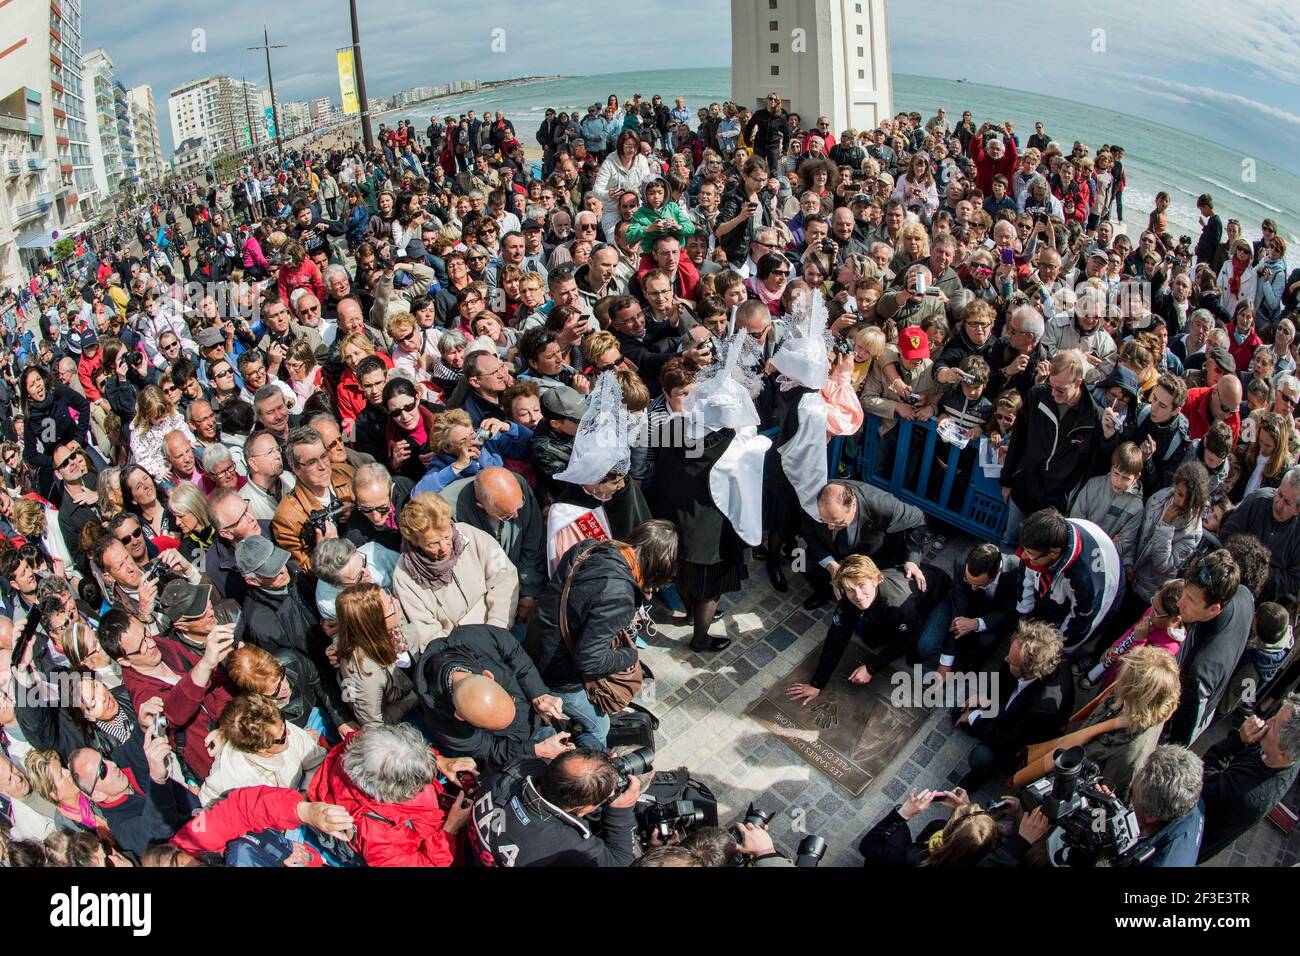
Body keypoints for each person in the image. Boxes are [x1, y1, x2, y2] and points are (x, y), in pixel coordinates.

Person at [528, 520, 677, 750]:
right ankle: (588, 772)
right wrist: (628, 656)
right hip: (559, 674)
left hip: (537, 642)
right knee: (598, 727)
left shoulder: (589, 548)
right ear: (656, 568)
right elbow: (588, 659)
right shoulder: (619, 596)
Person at [787, 555, 950, 705]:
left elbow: (907, 639)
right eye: (850, 589)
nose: (857, 595)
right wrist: (817, 683)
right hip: (896, 609)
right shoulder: (848, 599)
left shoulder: (898, 604)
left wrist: (871, 668)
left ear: (876, 579)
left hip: (938, 596)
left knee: (922, 648)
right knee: (870, 639)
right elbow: (836, 639)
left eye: (861, 585)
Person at [306, 724, 475, 867]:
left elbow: (402, 751)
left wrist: (440, 761)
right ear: (387, 791)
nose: (426, 784)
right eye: (418, 784)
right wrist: (450, 830)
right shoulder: (377, 834)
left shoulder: (365, 744)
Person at [414, 623, 573, 771]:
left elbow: (515, 653)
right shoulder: (444, 723)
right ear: (460, 716)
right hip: (518, 750)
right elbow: (489, 751)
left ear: (488, 676)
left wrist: (537, 692)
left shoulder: (474, 638)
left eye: (511, 698)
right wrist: (535, 750)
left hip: (537, 713)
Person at [390, 492, 520, 654]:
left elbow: (503, 577)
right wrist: (469, 649)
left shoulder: (470, 535)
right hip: (463, 653)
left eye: (446, 536)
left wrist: (496, 628)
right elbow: (427, 632)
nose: (444, 547)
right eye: (432, 544)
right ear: (415, 541)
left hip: (502, 630)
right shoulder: (404, 576)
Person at [468, 748, 640, 867]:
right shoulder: (568, 845)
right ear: (582, 809)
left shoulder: (516, 770)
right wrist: (621, 811)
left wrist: (600, 767)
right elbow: (621, 862)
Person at [956, 620, 1075, 790]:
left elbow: (1007, 741)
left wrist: (974, 717)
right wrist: (987, 697)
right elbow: (1004, 676)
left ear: (1029, 670)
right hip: (1009, 709)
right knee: (958, 711)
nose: (1005, 659)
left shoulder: (1042, 708)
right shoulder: (1024, 657)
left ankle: (978, 778)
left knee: (981, 757)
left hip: (1018, 740)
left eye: (1011, 661)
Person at [438, 468, 547, 628]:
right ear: (480, 505)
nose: (516, 516)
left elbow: (533, 542)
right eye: (506, 515)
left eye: (520, 506)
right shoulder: (448, 510)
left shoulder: (518, 485)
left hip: (521, 584)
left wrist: (529, 591)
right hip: (482, 601)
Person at [1166, 549, 1254, 746]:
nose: (1180, 603)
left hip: (1189, 706)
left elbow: (1180, 740)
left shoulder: (1200, 672)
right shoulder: (1243, 594)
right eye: (1185, 593)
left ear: (1215, 608)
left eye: (1190, 600)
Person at [1198, 694, 1300, 862]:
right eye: (1274, 715)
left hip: (1192, 833)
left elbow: (1201, 778)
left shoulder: (1247, 794)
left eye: (1274, 725)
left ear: (1284, 753)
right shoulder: (1288, 755)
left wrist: (1237, 740)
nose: (1267, 722)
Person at [199, 693, 327, 806]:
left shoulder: (277, 727)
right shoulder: (225, 779)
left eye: (283, 723)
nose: (288, 732)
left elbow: (317, 761)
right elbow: (209, 810)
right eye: (282, 738)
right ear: (259, 748)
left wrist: (303, 795)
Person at [271, 426, 357, 574]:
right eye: (311, 462)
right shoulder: (286, 519)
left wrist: (358, 512)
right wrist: (324, 553)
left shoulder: (347, 474)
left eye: (324, 456)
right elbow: (302, 572)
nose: (323, 466)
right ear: (295, 468)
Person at [1220, 469, 1300, 606]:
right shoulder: (1258, 500)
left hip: (1256, 602)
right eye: (1279, 494)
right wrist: (1247, 561)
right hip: (1225, 577)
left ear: (1298, 510)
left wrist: (1264, 573)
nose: (1279, 504)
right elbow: (1227, 533)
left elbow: (1293, 580)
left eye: (1287, 502)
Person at [1126, 745, 1205, 867]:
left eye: (1133, 794)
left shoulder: (1163, 862)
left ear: (1151, 816)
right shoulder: (1188, 797)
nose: (1130, 800)